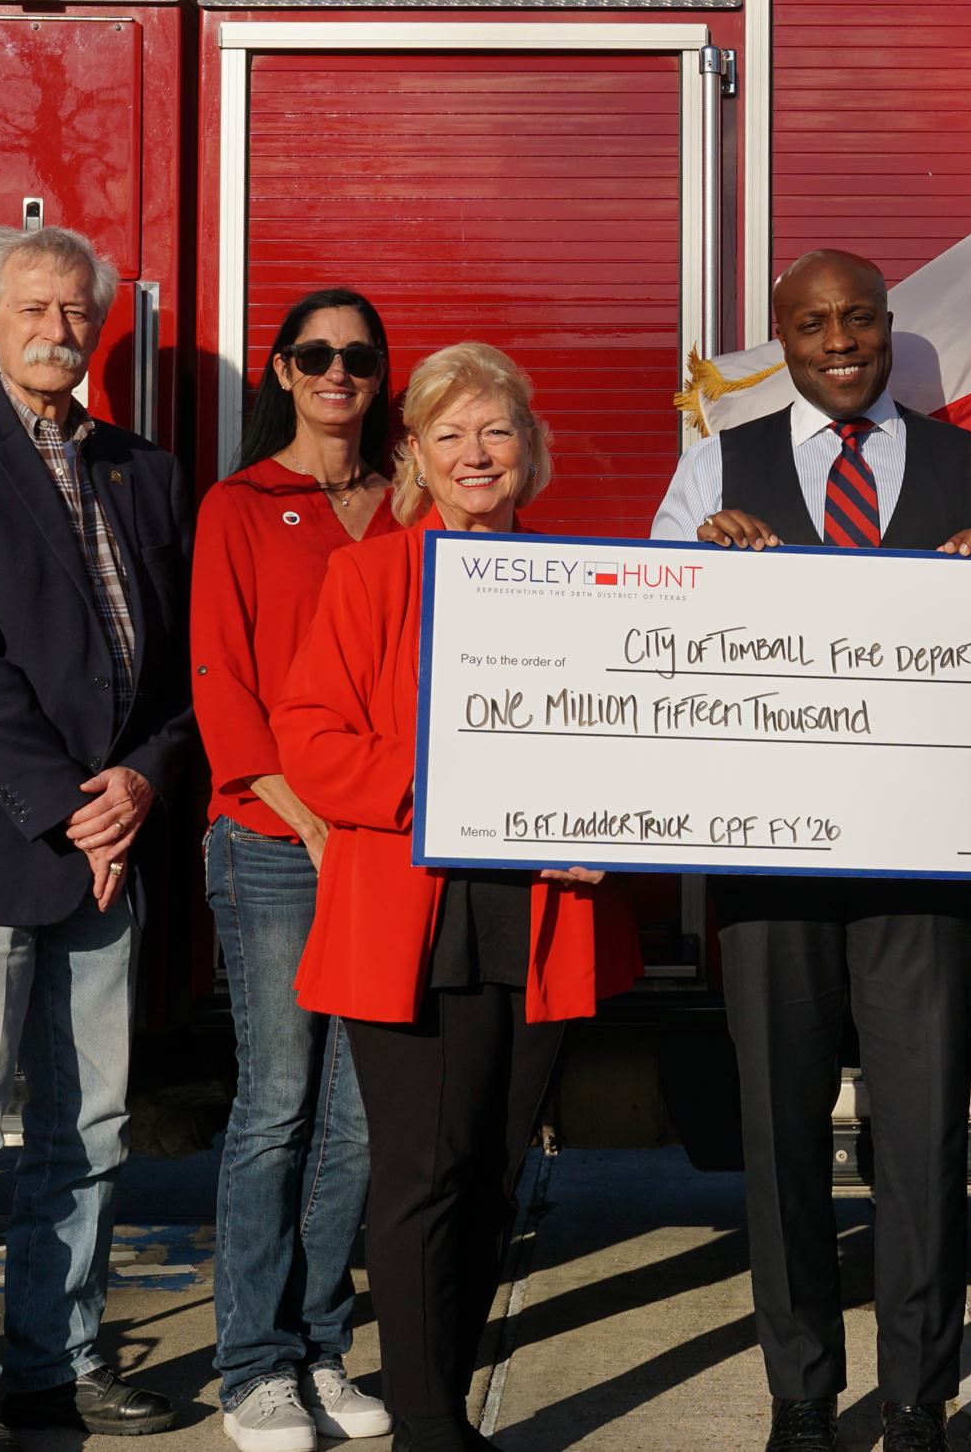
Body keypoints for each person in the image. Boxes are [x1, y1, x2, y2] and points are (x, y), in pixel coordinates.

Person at [648, 249, 971, 1452]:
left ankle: (917, 1398)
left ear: (886, 327)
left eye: (857, 318)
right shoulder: (713, 467)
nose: (836, 339)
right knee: (779, 1136)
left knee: (922, 1135)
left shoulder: (970, 461)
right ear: (779, 336)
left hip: (924, 859)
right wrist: (700, 575)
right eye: (811, 321)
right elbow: (648, 635)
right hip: (772, 861)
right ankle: (802, 1400)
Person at [275, 342, 641, 1452]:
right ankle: (430, 1421)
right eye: (450, 435)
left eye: (496, 431)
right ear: (415, 462)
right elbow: (314, 742)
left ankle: (447, 1396)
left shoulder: (588, 582)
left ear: (528, 452)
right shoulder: (367, 576)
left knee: (490, 1174)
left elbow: (635, 740)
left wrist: (613, 827)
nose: (476, 453)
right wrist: (446, 786)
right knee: (420, 1172)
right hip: (409, 913)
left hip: (538, 920)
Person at [0, 224, 196, 1452]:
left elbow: (178, 671)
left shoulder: (146, 474)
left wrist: (143, 783)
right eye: (35, 311)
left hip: (111, 843)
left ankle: (54, 1363)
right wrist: (72, 803)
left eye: (77, 313)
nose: (57, 332)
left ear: (100, 326)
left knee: (93, 1130)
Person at [191, 290, 399, 1451]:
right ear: (280, 369)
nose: (336, 372)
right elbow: (221, 680)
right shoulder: (239, 505)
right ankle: (251, 1367)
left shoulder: (407, 505)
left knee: (357, 1120)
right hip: (273, 846)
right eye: (315, 355)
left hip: (380, 854)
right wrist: (307, 817)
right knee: (275, 1105)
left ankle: (322, 1352)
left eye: (357, 357)